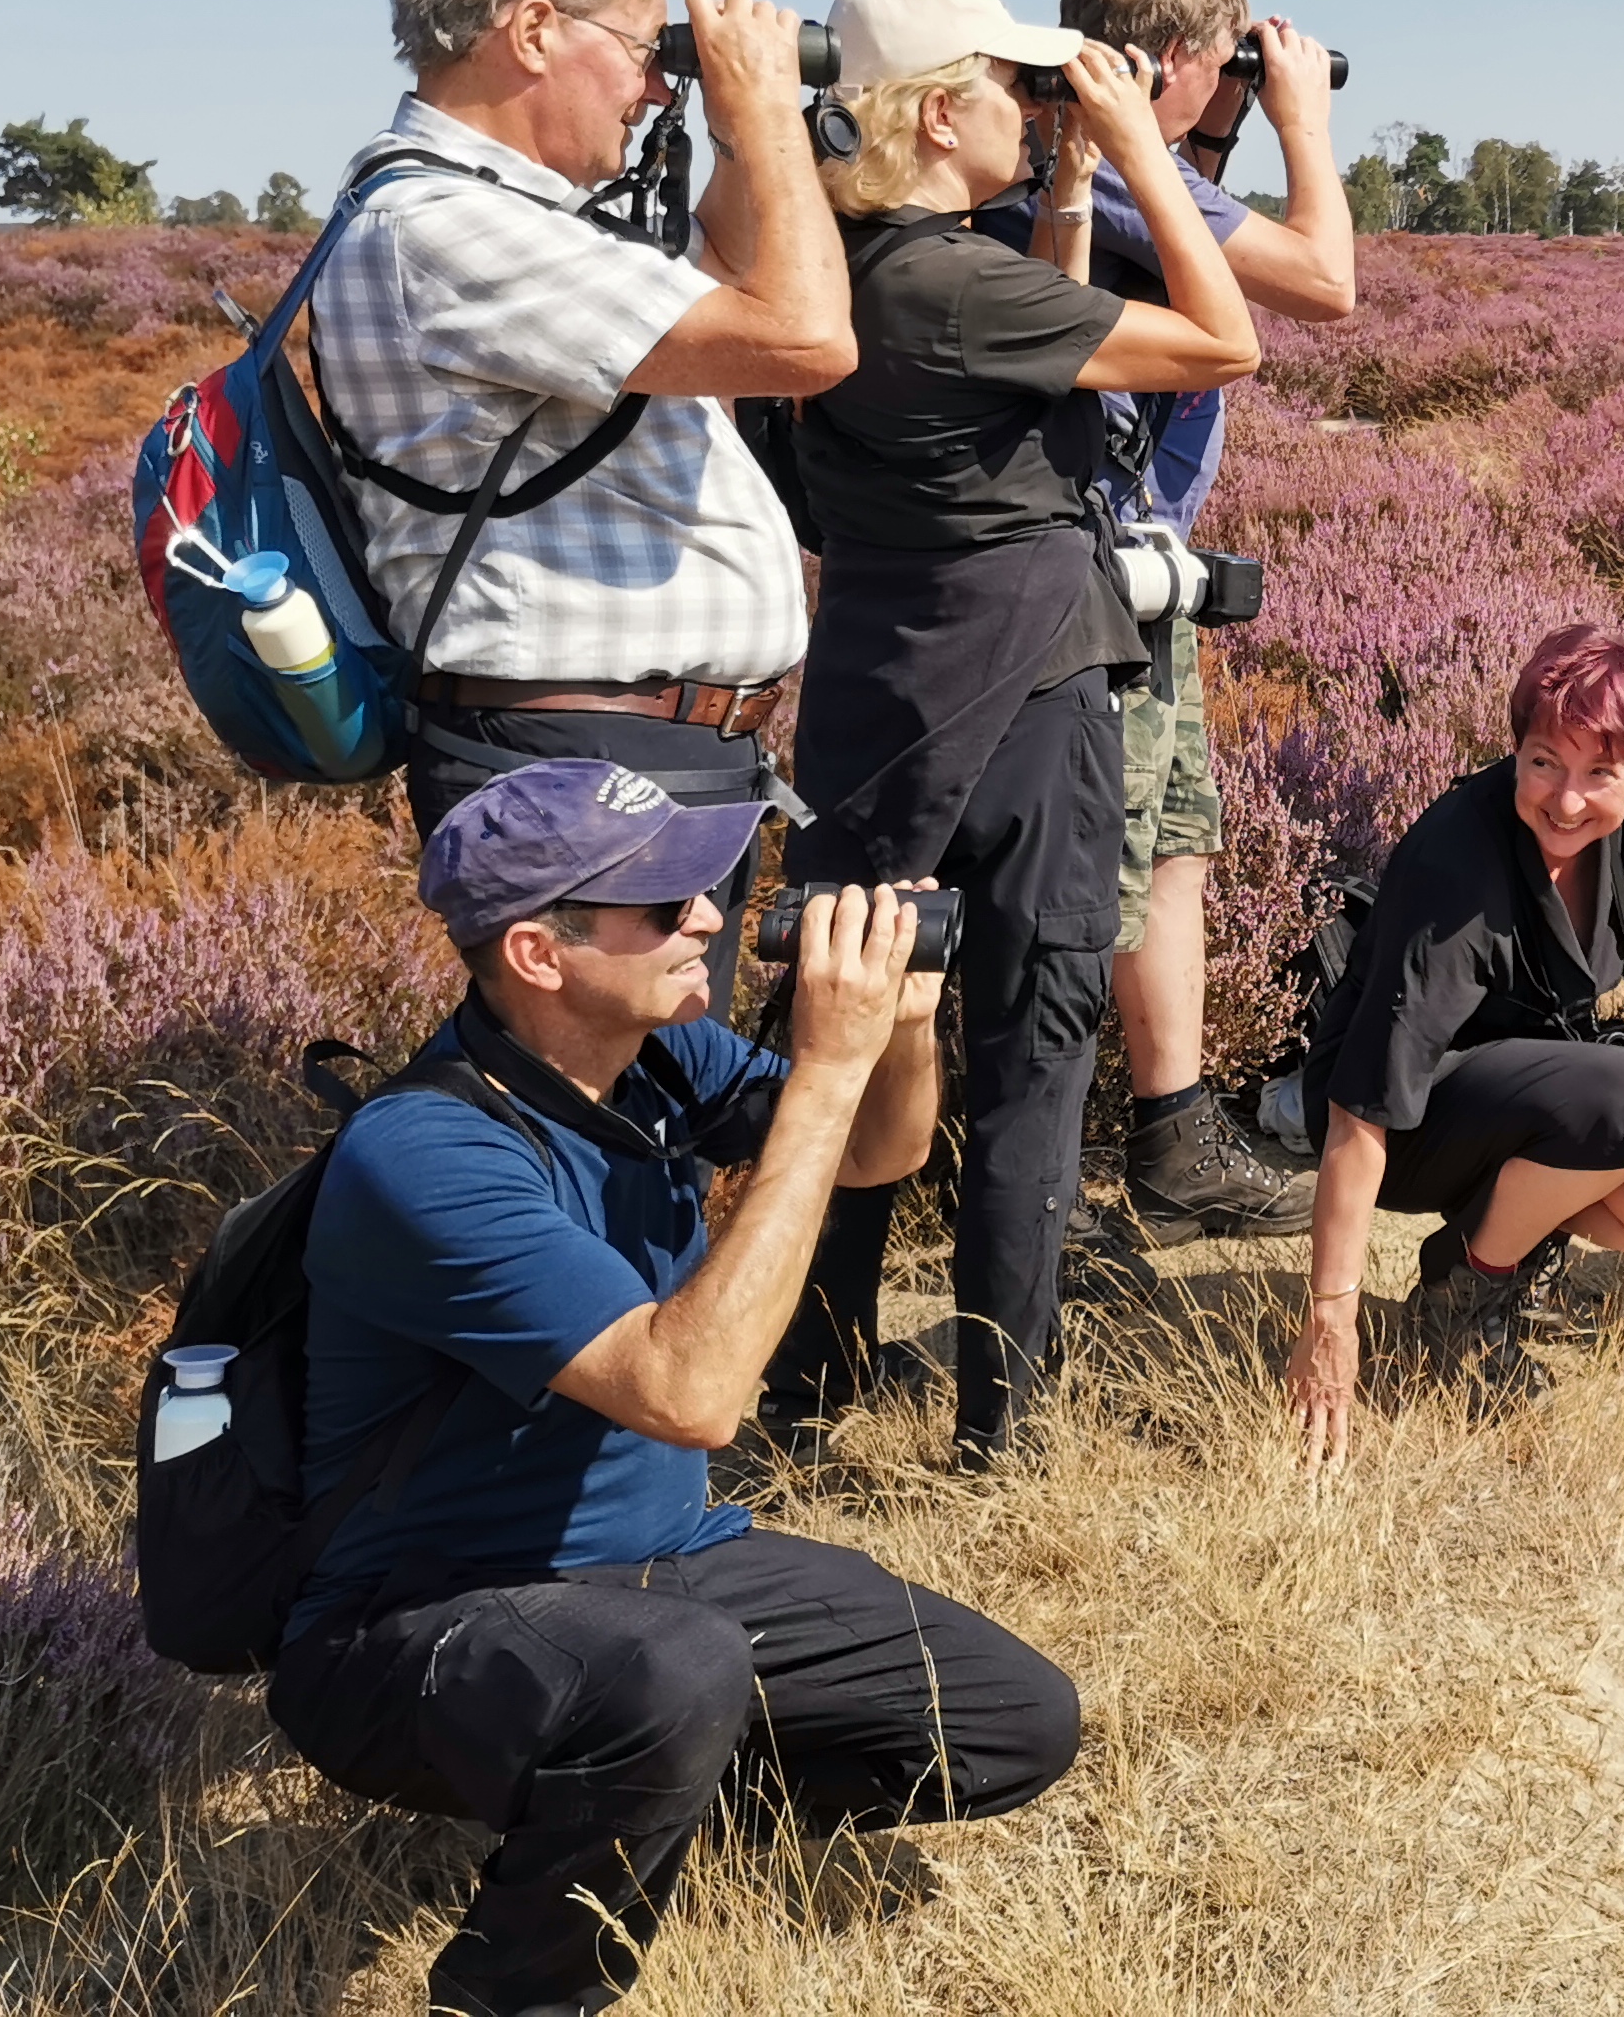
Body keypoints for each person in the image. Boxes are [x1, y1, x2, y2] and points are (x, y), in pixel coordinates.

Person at [269, 761, 1077, 2017]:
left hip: (660, 1567)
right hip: (417, 1623)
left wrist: (900, 1031)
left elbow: (881, 1153)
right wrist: (823, 1069)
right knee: (673, 1669)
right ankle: (509, 1996)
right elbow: (693, 1396)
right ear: (538, 953)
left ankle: (640, 1800)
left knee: (1014, 1720)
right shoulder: (426, 1152)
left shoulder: (655, 1056)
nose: (708, 916)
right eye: (661, 904)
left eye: (703, 886)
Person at [761, 0, 1263, 1469]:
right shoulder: (953, 285)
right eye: (1008, 87)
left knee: (856, 1046)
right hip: (1030, 698)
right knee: (1031, 1065)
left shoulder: (835, 273)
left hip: (876, 699)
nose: (1031, 109)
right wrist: (1151, 156)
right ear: (935, 113)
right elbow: (1225, 340)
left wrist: (1075, 180)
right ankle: (1001, 1425)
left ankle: (811, 1381)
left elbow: (1021, 344)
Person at [319, 0, 852, 1009]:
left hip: (628, 753)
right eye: (641, 48)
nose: (654, 84)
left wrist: (737, 135)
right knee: (609, 1090)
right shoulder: (444, 226)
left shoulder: (512, 221)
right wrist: (769, 116)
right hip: (584, 760)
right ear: (533, 30)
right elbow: (806, 339)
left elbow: (725, 284)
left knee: (652, 1087)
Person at [997, 0, 1355, 1244]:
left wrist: (1217, 127)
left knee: (1173, 850)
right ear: (1172, 62)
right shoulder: (1109, 174)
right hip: (1088, 587)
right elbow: (1326, 283)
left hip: (1145, 581)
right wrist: (1303, 122)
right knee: (1091, 880)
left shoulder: (1121, 169)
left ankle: (1175, 1134)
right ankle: (1037, 1186)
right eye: (1225, 63)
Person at [1288, 626, 1624, 1462]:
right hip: (1404, 1118)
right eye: (1544, 763)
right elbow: (1362, 1108)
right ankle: (1465, 1298)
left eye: (1600, 773)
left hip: (1530, 1082)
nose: (1566, 802)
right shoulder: (1456, 863)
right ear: (1516, 749)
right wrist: (1330, 1319)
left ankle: (1494, 1251)